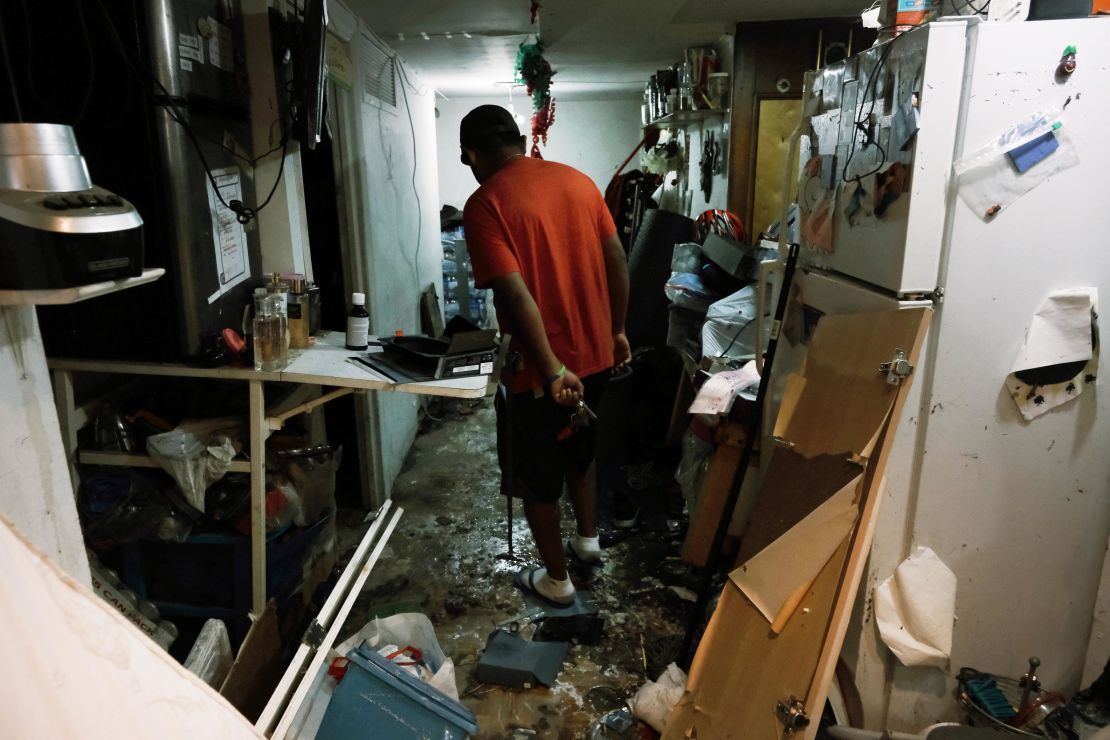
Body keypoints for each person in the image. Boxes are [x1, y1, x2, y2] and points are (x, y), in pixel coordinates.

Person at [460, 105, 630, 607]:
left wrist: (552, 370)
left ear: (472, 154)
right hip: (597, 356)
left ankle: (556, 580)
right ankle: (589, 539)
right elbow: (616, 258)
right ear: (517, 139)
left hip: (542, 370)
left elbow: (516, 296)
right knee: (580, 444)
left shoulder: (484, 204)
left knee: (537, 477)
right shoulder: (578, 181)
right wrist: (617, 330)